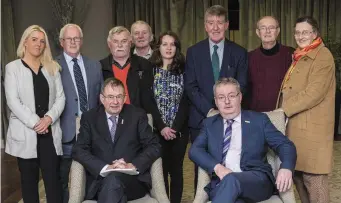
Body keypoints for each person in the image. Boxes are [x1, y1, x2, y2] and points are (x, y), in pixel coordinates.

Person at [189, 77, 296, 203]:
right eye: (221, 97)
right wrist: (218, 168)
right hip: (222, 184)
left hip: (256, 181)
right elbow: (194, 150)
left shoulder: (259, 120)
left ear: (240, 97)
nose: (227, 101)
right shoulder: (209, 124)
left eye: (231, 96)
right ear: (216, 101)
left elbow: (285, 144)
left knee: (231, 179)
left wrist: (286, 167)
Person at [184, 4, 248, 189]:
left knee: (231, 163)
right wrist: (210, 110)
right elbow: (191, 86)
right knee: (202, 169)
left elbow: (241, 85)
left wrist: (224, 108)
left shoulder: (239, 52)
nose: (215, 27)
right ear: (205, 26)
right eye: (211, 23)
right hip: (201, 119)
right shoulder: (194, 52)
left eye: (220, 22)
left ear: (226, 25)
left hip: (231, 118)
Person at [72, 78, 161, 203]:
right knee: (112, 184)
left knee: (113, 183)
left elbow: (154, 146)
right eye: (110, 97)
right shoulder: (89, 118)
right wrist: (105, 168)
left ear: (124, 98)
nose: (115, 102)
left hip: (131, 181)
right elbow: (78, 149)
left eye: (119, 97)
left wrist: (133, 165)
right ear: (102, 99)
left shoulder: (137, 115)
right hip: (100, 181)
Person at [276, 16, 336, 203]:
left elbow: (314, 93)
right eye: (297, 32)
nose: (301, 36)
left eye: (305, 32)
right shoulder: (301, 54)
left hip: (313, 132)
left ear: (315, 33)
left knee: (315, 182)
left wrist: (282, 110)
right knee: (300, 179)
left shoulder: (323, 55)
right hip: (297, 129)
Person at [4, 25, 65, 203]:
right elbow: (13, 101)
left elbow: (61, 98)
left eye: (42, 41)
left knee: (53, 183)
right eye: (34, 39)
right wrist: (35, 122)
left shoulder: (52, 67)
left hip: (49, 132)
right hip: (26, 132)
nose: (39, 44)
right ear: (25, 42)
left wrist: (48, 118)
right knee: (29, 184)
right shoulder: (12, 68)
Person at [55, 23, 103, 203]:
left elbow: (100, 99)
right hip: (66, 130)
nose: (73, 42)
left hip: (91, 130)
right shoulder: (53, 65)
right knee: (63, 177)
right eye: (69, 38)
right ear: (61, 42)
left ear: (81, 41)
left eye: (77, 38)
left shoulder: (95, 65)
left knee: (92, 176)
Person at [149, 31, 189, 203]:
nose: (168, 48)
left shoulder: (184, 70)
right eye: (165, 44)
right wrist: (162, 126)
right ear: (159, 47)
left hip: (179, 131)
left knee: (177, 170)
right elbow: (149, 101)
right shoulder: (150, 70)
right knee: (161, 171)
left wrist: (174, 128)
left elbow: (186, 101)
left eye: (172, 44)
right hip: (158, 130)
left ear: (177, 48)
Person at [100, 26, 157, 114]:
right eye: (115, 41)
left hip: (138, 119)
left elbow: (150, 98)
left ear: (130, 43)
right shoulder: (99, 67)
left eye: (124, 41)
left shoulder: (145, 65)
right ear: (109, 44)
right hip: (109, 119)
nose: (120, 45)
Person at [245, 16, 294, 112]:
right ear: (258, 32)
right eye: (263, 28)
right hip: (256, 115)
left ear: (278, 31)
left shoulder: (291, 54)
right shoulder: (249, 57)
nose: (267, 31)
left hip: (282, 113)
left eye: (271, 27)